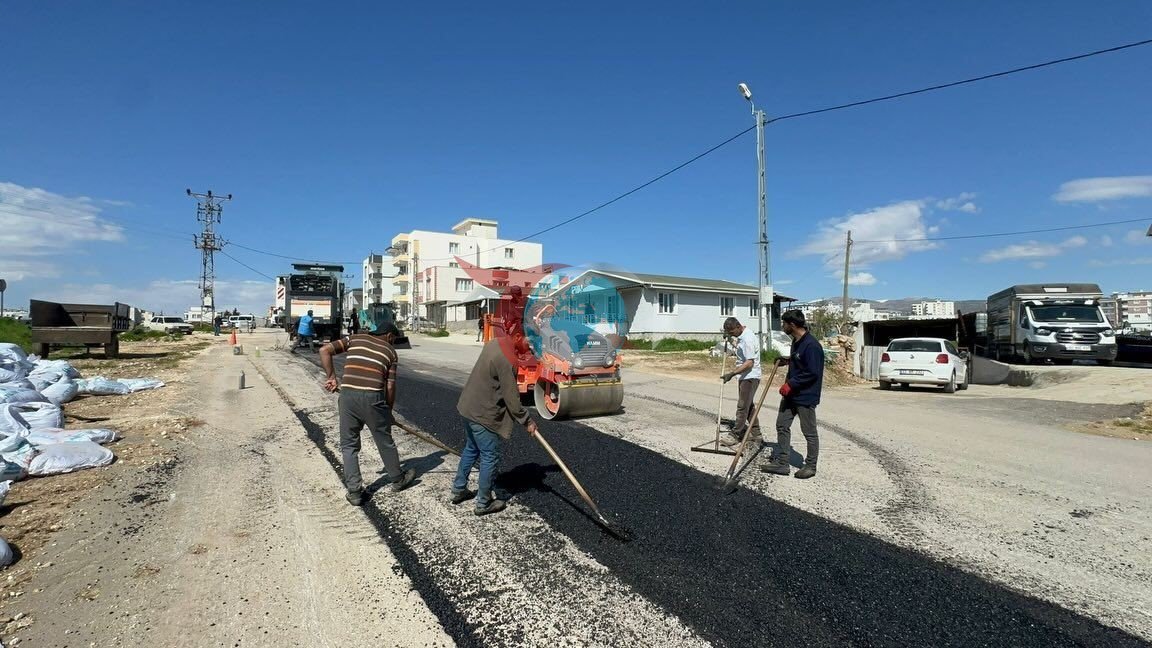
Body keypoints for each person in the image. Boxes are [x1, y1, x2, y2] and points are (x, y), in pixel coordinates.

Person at [319, 313, 415, 505]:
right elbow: (389, 387)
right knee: (384, 439)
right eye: (394, 339)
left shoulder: (355, 338)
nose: (394, 342)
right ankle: (397, 479)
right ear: (389, 336)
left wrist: (331, 377)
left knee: (349, 445)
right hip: (373, 399)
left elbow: (324, 350)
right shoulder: (390, 352)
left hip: (347, 397)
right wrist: (387, 412)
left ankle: (354, 492)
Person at [452, 336, 539, 515]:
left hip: (468, 406)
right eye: (528, 349)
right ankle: (483, 503)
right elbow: (512, 398)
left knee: (471, 448)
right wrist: (527, 421)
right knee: (490, 456)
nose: (527, 353)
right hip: (483, 414)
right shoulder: (508, 360)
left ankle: (459, 489)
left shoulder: (496, 342)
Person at [762, 310, 824, 479]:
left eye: (784, 324)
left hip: (805, 396)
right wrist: (786, 360)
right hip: (791, 395)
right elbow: (799, 360)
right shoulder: (796, 341)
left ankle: (811, 466)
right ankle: (783, 463)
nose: (783, 326)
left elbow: (812, 372)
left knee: (809, 432)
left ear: (793, 325)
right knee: (782, 425)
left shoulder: (812, 345)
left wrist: (791, 384)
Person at [719, 317, 763, 447]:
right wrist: (730, 340)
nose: (732, 334)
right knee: (748, 406)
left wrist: (732, 373)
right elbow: (742, 352)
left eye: (732, 332)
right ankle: (756, 434)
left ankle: (736, 434)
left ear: (738, 326)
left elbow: (749, 363)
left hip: (750, 376)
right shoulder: (743, 336)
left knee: (742, 406)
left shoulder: (748, 339)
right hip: (745, 376)